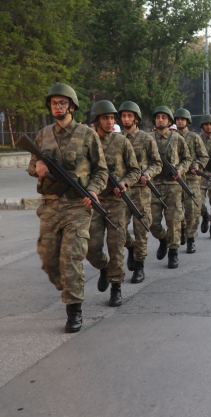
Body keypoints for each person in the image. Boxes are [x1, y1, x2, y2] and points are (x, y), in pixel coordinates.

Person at [28, 83, 108, 333]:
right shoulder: (43, 135)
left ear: (72, 106)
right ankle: (74, 287)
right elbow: (32, 164)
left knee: (71, 258)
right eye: (53, 103)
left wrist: (94, 190)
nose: (57, 107)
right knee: (49, 259)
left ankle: (74, 310)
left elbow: (101, 170)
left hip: (77, 205)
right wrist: (37, 168)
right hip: (50, 205)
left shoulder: (88, 135)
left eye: (62, 103)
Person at [86, 100, 140, 307]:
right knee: (91, 246)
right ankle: (104, 267)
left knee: (116, 244)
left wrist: (124, 182)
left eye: (112, 118)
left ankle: (116, 286)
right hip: (94, 200)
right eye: (105, 118)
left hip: (117, 201)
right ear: (97, 120)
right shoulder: (88, 143)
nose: (110, 122)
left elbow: (135, 170)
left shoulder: (122, 142)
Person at [120, 101, 162, 284]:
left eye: (130, 116)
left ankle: (139, 266)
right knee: (118, 229)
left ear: (136, 118)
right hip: (122, 191)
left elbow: (157, 163)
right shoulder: (117, 139)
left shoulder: (146, 139)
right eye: (123, 116)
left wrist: (148, 173)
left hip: (141, 191)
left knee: (141, 230)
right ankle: (130, 247)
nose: (126, 119)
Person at [149, 106, 192, 269]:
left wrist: (180, 169)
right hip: (154, 184)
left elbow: (187, 159)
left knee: (173, 221)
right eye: (158, 117)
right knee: (152, 222)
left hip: (173, 185)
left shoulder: (177, 139)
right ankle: (163, 239)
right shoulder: (148, 138)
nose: (160, 119)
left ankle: (173, 253)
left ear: (169, 121)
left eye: (164, 117)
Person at [175, 108, 208, 252]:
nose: (180, 121)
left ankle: (191, 238)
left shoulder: (194, 137)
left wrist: (197, 165)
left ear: (187, 121)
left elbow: (204, 157)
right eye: (178, 119)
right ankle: (182, 230)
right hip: (175, 180)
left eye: (183, 119)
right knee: (176, 211)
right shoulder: (172, 137)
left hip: (192, 179)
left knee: (192, 210)